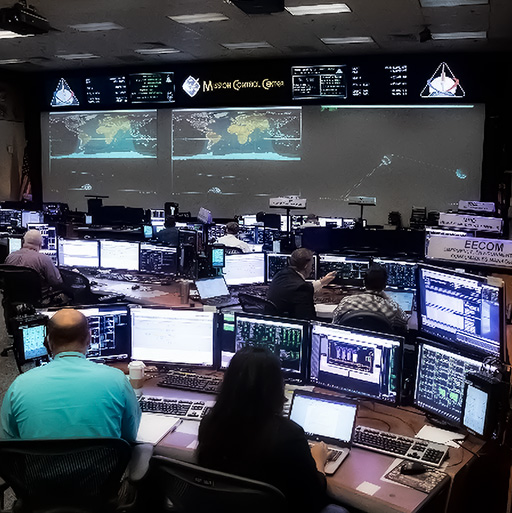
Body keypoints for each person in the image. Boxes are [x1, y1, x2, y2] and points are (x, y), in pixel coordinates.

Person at [197, 346, 348, 513]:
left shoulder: (210, 423)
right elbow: (312, 499)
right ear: (276, 387)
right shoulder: (289, 436)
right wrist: (318, 462)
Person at [0, 308, 141, 441]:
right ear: (89, 339)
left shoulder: (19, 386)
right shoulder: (117, 380)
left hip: (39, 467)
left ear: (48, 342)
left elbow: (7, 442)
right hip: (105, 467)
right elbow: (129, 436)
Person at [332, 264, 409, 332]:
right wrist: (388, 299)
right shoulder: (392, 309)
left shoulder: (346, 302)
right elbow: (405, 323)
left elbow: (334, 324)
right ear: (385, 286)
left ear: (364, 282)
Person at [267, 248, 336, 320]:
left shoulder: (281, 274)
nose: (311, 269)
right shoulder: (301, 288)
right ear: (306, 266)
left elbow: (298, 288)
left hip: (277, 320)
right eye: (311, 265)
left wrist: (322, 282)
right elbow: (309, 319)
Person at [4, 229, 64, 298]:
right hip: (39, 302)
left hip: (13, 303)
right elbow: (57, 282)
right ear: (40, 245)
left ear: (23, 242)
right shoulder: (44, 259)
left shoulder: (9, 257)